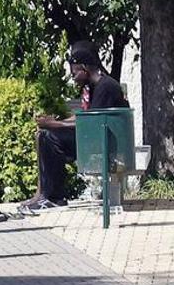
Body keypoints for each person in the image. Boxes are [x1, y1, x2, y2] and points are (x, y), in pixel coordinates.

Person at [21, 43, 129, 215]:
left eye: (74, 73)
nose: (73, 78)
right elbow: (85, 116)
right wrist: (56, 121)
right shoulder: (93, 86)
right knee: (43, 134)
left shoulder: (105, 87)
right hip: (98, 141)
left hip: (108, 148)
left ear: (84, 68)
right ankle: (42, 194)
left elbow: (90, 123)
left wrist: (54, 125)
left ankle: (54, 198)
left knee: (48, 136)